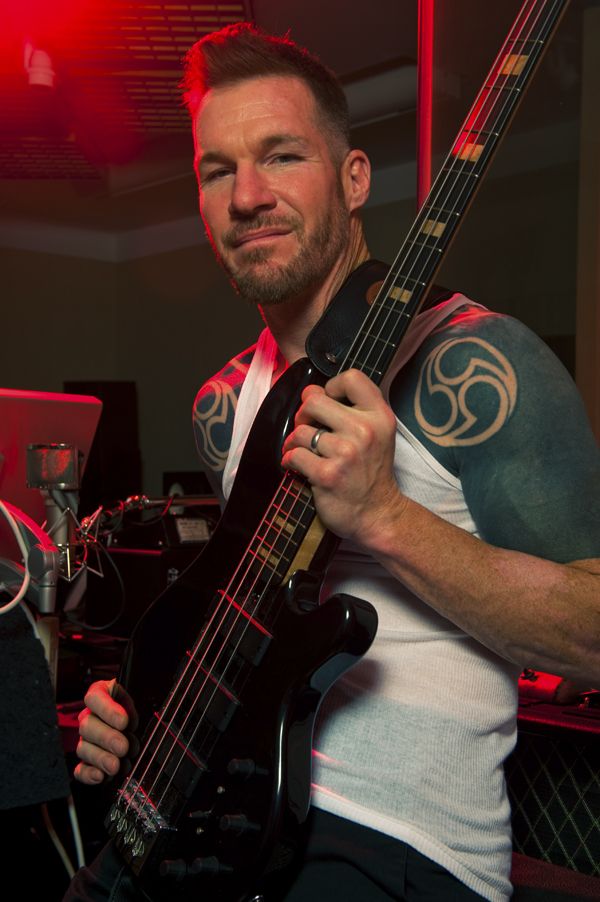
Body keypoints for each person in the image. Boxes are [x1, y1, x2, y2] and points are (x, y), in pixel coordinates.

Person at [65, 22, 600, 902]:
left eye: (281, 157)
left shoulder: (479, 364)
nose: (246, 195)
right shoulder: (221, 403)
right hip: (222, 818)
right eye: (216, 169)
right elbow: (246, 625)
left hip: (398, 845)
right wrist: (141, 715)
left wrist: (386, 518)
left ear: (355, 181)